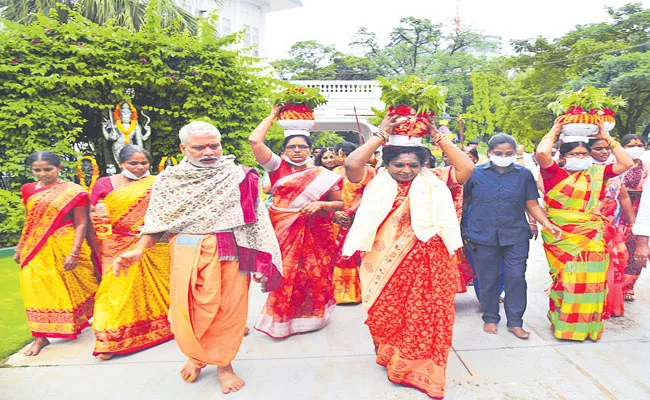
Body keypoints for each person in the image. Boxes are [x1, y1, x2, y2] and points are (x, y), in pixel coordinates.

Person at [113, 121, 282, 393]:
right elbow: (157, 222)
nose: (209, 152)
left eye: (214, 145)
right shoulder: (169, 180)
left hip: (230, 250)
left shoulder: (239, 175)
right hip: (186, 251)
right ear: (184, 148)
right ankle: (196, 356)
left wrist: (262, 257)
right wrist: (139, 249)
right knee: (187, 311)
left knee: (228, 311)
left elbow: (256, 220)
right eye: (199, 147)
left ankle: (224, 364)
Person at [342, 114, 474, 399]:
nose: (406, 170)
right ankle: (392, 357)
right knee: (386, 315)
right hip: (384, 264)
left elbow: (466, 167)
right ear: (386, 163)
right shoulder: (373, 180)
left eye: (414, 165)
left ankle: (423, 372)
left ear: (423, 165)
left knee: (428, 318)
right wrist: (381, 134)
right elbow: (352, 164)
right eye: (398, 164)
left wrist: (436, 135)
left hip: (430, 262)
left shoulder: (436, 180)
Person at [249, 106, 344, 338]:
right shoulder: (276, 168)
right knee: (287, 273)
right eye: (292, 147)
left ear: (311, 150)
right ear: (283, 152)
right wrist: (272, 116)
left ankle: (314, 316)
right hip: (283, 229)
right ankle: (282, 319)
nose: (298, 150)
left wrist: (321, 205)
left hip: (316, 231)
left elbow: (339, 203)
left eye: (303, 146)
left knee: (313, 273)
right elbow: (254, 140)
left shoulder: (323, 175)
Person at [536, 121, 633, 341]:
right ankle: (564, 327)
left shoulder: (597, 173)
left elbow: (626, 162)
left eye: (583, 153)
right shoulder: (554, 174)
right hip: (562, 237)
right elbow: (542, 151)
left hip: (592, 236)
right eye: (575, 153)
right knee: (567, 282)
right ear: (562, 156)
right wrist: (554, 130)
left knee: (593, 283)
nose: (580, 157)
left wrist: (607, 136)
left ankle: (588, 328)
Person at [464, 134, 561, 339]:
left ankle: (515, 322)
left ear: (515, 153)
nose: (503, 156)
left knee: (516, 278)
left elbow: (531, 203)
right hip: (482, 234)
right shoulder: (476, 174)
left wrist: (546, 223)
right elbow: (465, 201)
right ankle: (490, 317)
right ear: (489, 153)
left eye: (509, 153)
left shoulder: (523, 174)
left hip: (515, 235)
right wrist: (463, 229)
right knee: (488, 279)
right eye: (498, 153)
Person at [90, 145, 172, 360]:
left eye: (143, 163)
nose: (139, 167)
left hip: (153, 244)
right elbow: (96, 213)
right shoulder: (104, 184)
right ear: (121, 164)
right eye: (133, 163)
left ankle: (161, 328)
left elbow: (168, 213)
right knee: (114, 292)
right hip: (116, 243)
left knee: (160, 289)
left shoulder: (158, 183)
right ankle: (110, 340)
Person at [13, 151, 98, 356]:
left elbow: (81, 223)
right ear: (31, 170)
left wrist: (74, 253)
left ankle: (95, 320)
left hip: (66, 242)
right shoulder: (28, 190)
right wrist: (20, 246)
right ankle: (40, 336)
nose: (43, 174)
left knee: (78, 285)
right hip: (35, 247)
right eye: (37, 170)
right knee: (35, 289)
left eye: (48, 169)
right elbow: (31, 221)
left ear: (59, 168)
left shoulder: (74, 192)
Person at [589, 138, 635, 317]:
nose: (604, 152)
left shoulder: (614, 170)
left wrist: (631, 222)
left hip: (611, 226)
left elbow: (622, 196)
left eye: (607, 148)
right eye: (598, 148)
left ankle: (608, 305)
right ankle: (592, 306)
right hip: (590, 227)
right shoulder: (582, 170)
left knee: (614, 264)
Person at [331, 141, 373, 304]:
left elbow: (368, 194)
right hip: (337, 218)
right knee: (338, 253)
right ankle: (340, 293)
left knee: (354, 253)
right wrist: (336, 212)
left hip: (358, 217)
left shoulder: (369, 171)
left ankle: (359, 291)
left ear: (341, 154)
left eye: (337, 154)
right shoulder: (335, 172)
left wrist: (350, 211)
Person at [620, 134, 649, 301]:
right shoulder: (618, 165)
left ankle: (628, 285)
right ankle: (613, 285)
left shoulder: (646, 166)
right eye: (631, 145)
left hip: (639, 212)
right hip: (617, 212)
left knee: (635, 250)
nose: (635, 148)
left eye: (639, 145)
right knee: (617, 251)